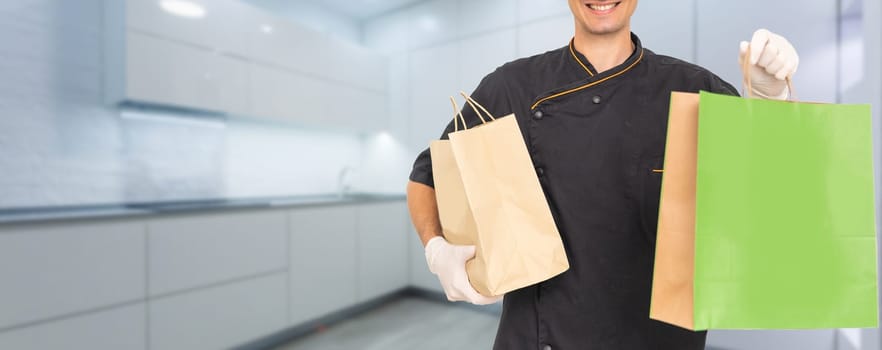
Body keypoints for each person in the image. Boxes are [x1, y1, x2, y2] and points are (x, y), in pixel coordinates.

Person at [406, 0, 799, 349]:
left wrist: (773, 103)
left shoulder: (696, 89)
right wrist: (436, 250)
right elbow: (428, 175)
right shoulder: (513, 86)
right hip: (538, 337)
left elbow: (768, 195)